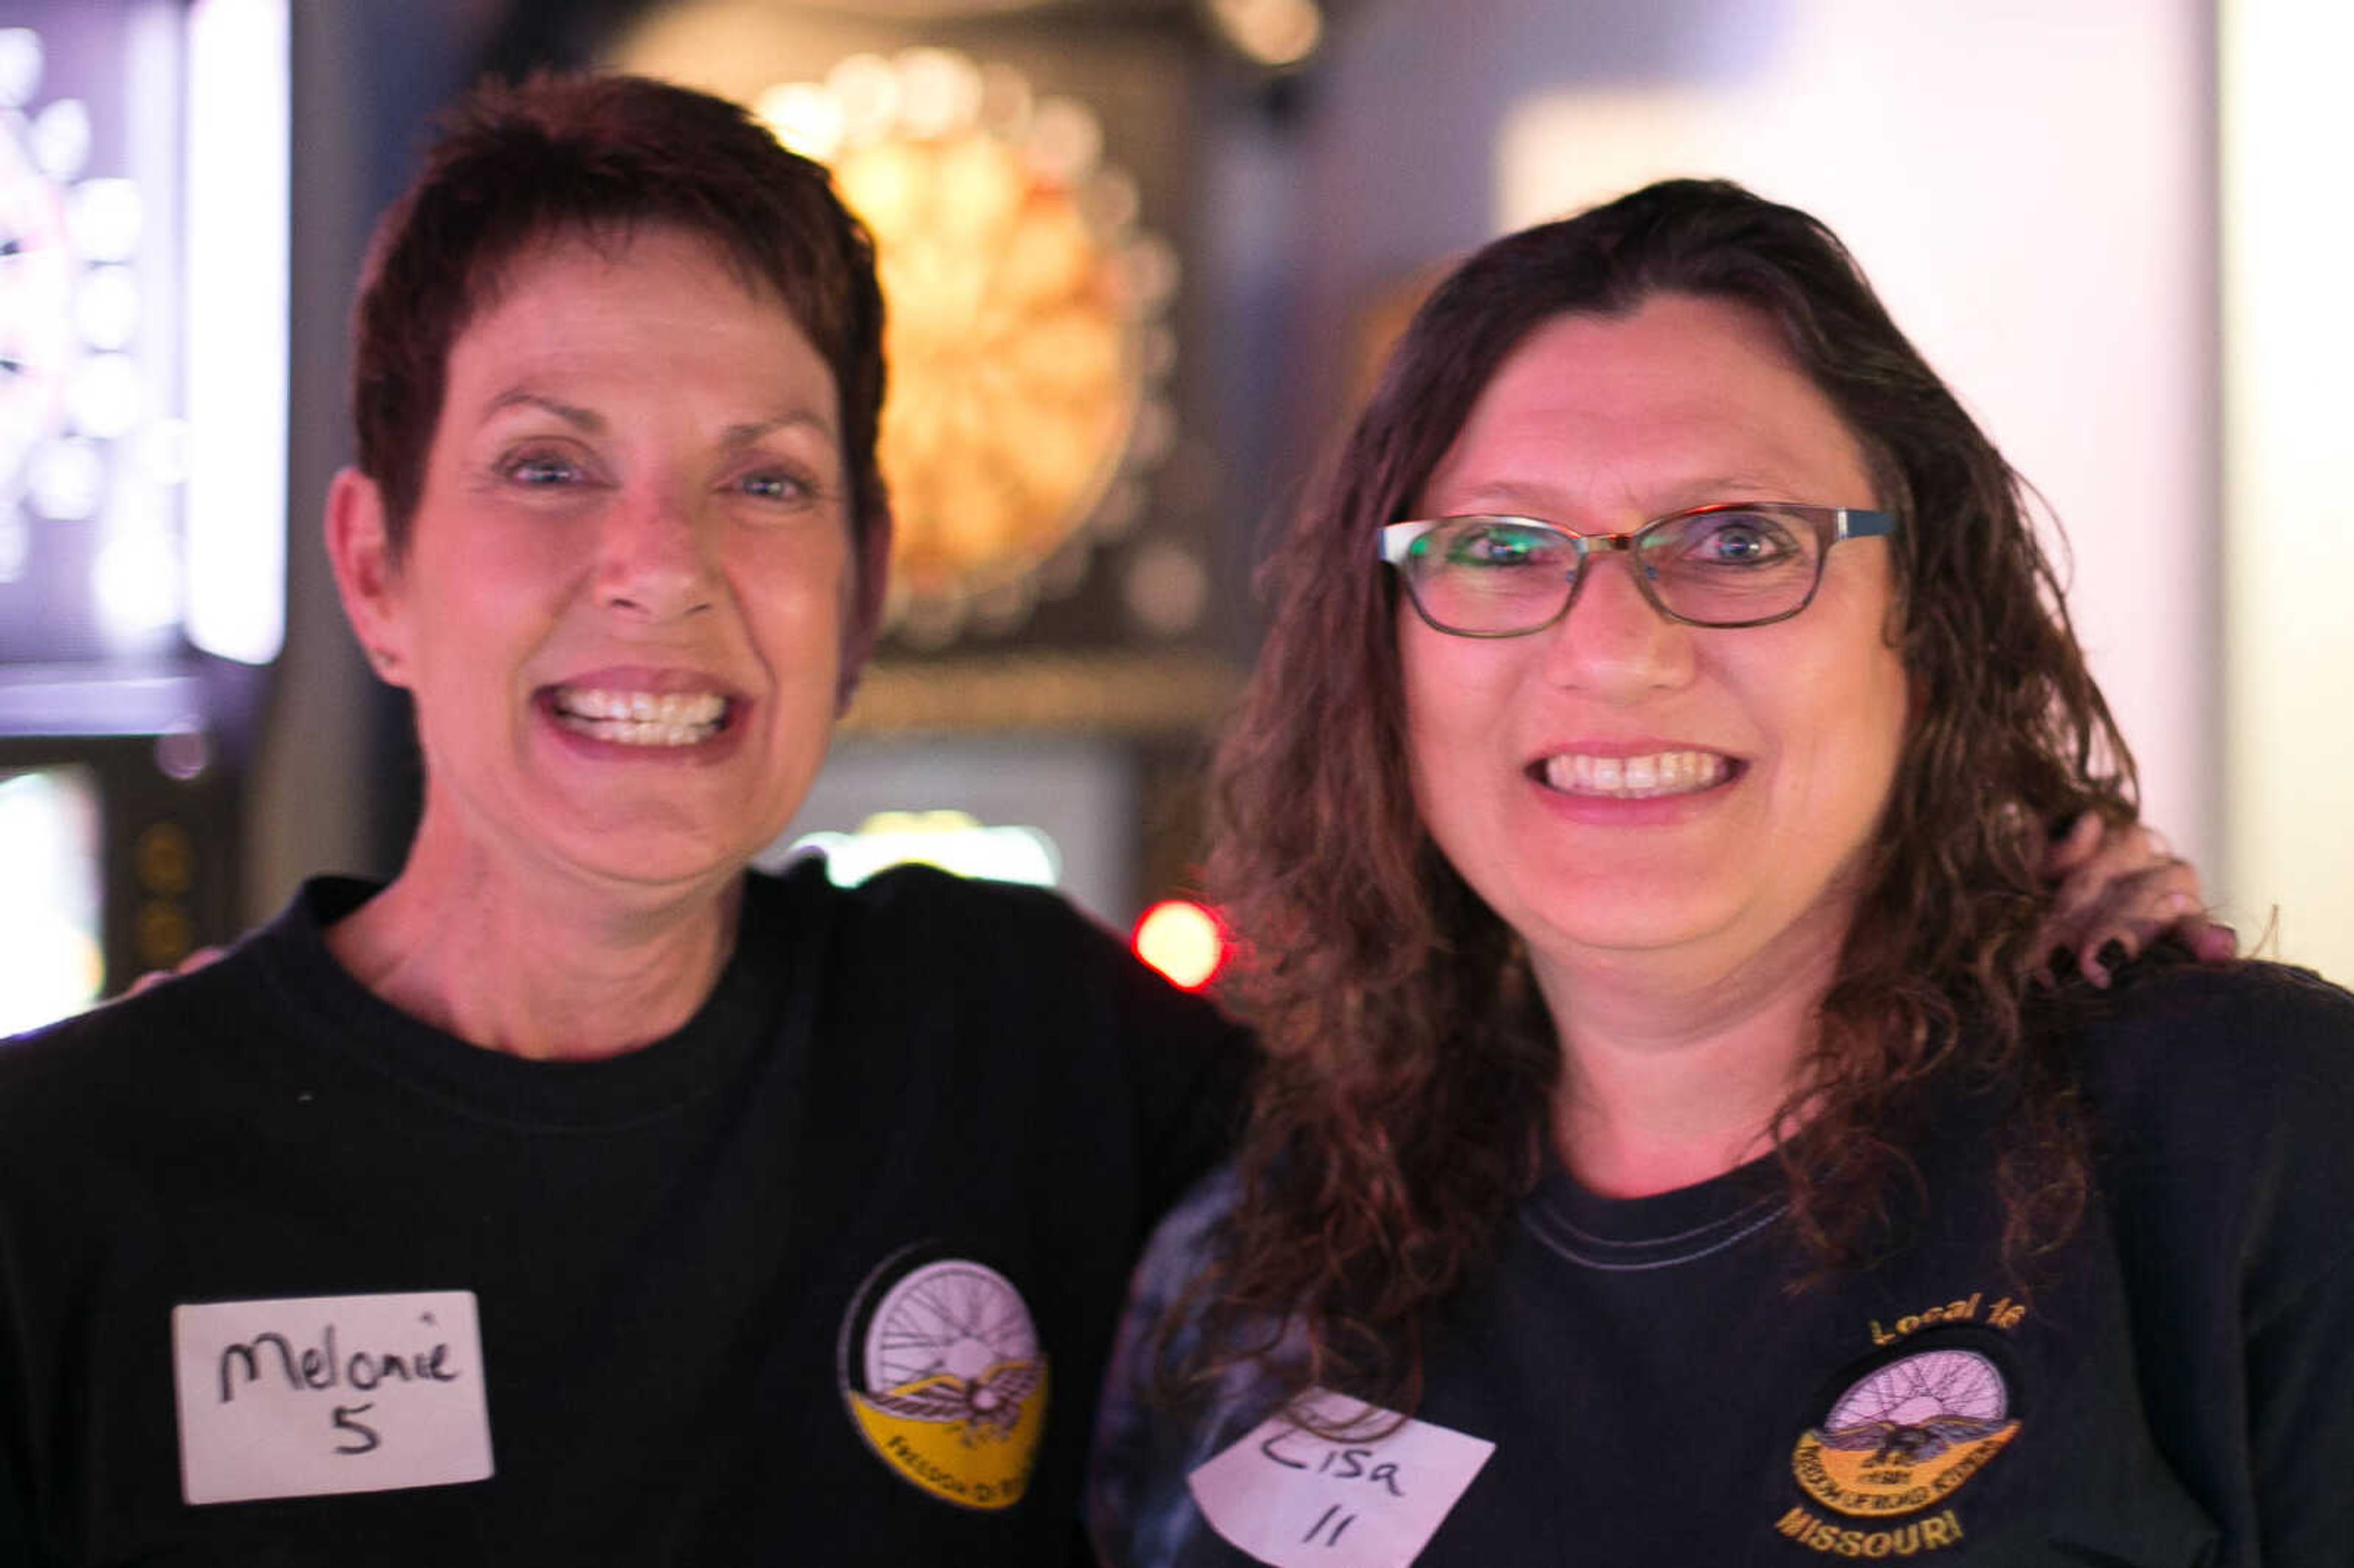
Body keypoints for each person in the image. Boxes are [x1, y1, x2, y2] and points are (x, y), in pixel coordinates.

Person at [0, 80, 2217, 1565]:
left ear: (865, 586)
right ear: (374, 565)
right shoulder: (70, 1185)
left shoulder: (1026, 1045)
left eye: (764, 478)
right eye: (549, 464)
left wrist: (1966, 913)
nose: (659, 566)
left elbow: (1554, 1092)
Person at [1088, 180, 2351, 1567]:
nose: (1616, 649)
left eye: (1742, 540)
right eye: (1505, 549)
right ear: (1380, 655)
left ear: (1924, 627)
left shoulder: (2243, 1135)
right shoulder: (1252, 1248)